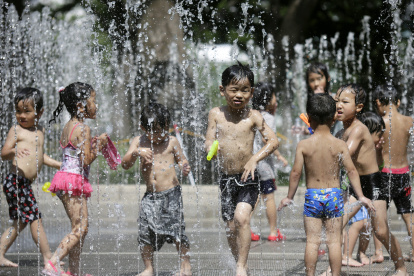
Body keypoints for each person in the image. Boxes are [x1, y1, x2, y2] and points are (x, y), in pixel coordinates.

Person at [278, 93, 374, 276]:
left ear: (309, 118)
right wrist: (361, 196)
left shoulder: (304, 145)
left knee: (312, 241)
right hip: (334, 196)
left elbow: (296, 173)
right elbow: (352, 171)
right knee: (333, 241)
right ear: (333, 119)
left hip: (313, 196)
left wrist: (289, 197)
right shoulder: (339, 145)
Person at [205, 62, 279, 276]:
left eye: (245, 90)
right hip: (227, 179)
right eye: (233, 89)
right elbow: (209, 139)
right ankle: (240, 261)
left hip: (248, 176)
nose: (239, 95)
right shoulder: (216, 114)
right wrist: (210, 147)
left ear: (252, 92)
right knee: (230, 228)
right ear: (222, 90)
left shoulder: (254, 116)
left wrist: (254, 159)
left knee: (241, 218)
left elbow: (273, 141)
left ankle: (240, 267)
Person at [335, 83, 408, 275]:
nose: (338, 105)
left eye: (344, 101)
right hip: (356, 184)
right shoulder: (341, 130)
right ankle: (332, 269)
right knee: (337, 223)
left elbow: (344, 155)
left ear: (358, 107)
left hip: (374, 184)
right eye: (336, 101)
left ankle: (400, 266)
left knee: (381, 231)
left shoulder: (358, 129)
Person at [42, 82, 108, 276]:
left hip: (65, 179)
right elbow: (86, 160)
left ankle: (74, 272)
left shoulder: (68, 126)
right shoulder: (83, 128)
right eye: (94, 101)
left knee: (79, 229)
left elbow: (76, 154)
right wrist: (100, 145)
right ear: (81, 106)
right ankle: (52, 263)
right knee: (80, 227)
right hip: (73, 181)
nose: (97, 105)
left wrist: (91, 145)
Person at [122, 103, 192, 276]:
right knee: (144, 232)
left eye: (164, 129)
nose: (162, 135)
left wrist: (184, 166)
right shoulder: (139, 142)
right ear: (144, 128)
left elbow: (182, 160)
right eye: (157, 131)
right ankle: (148, 268)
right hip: (150, 196)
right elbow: (124, 164)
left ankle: (185, 267)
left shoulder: (172, 142)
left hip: (171, 194)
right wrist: (137, 152)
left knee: (177, 231)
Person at [0, 87, 61, 268]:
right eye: (18, 111)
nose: (22, 115)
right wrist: (14, 150)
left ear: (39, 112)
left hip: (22, 183)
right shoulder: (16, 130)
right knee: (35, 219)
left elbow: (40, 157)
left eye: (27, 111)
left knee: (20, 223)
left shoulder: (40, 130)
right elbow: (3, 153)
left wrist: (59, 165)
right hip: (15, 181)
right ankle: (48, 257)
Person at [373, 84, 414, 262]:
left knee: (378, 215)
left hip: (384, 173)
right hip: (404, 173)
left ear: (378, 103)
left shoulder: (380, 123)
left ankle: (378, 253)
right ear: (397, 101)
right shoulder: (409, 121)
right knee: (408, 215)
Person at [342, 112, 385, 266]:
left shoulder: (372, 148)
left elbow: (380, 166)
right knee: (359, 223)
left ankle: (360, 253)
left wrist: (379, 151)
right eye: (379, 134)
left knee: (368, 224)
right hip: (355, 189)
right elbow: (343, 156)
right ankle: (346, 255)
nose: (381, 138)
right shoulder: (357, 139)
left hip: (367, 188)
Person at [250, 82, 287, 242]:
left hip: (250, 162)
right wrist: (278, 155)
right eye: (273, 96)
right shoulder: (268, 118)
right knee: (269, 197)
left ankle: (248, 228)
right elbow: (268, 140)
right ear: (268, 100)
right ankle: (273, 231)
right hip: (264, 164)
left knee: (253, 197)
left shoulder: (250, 115)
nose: (276, 98)